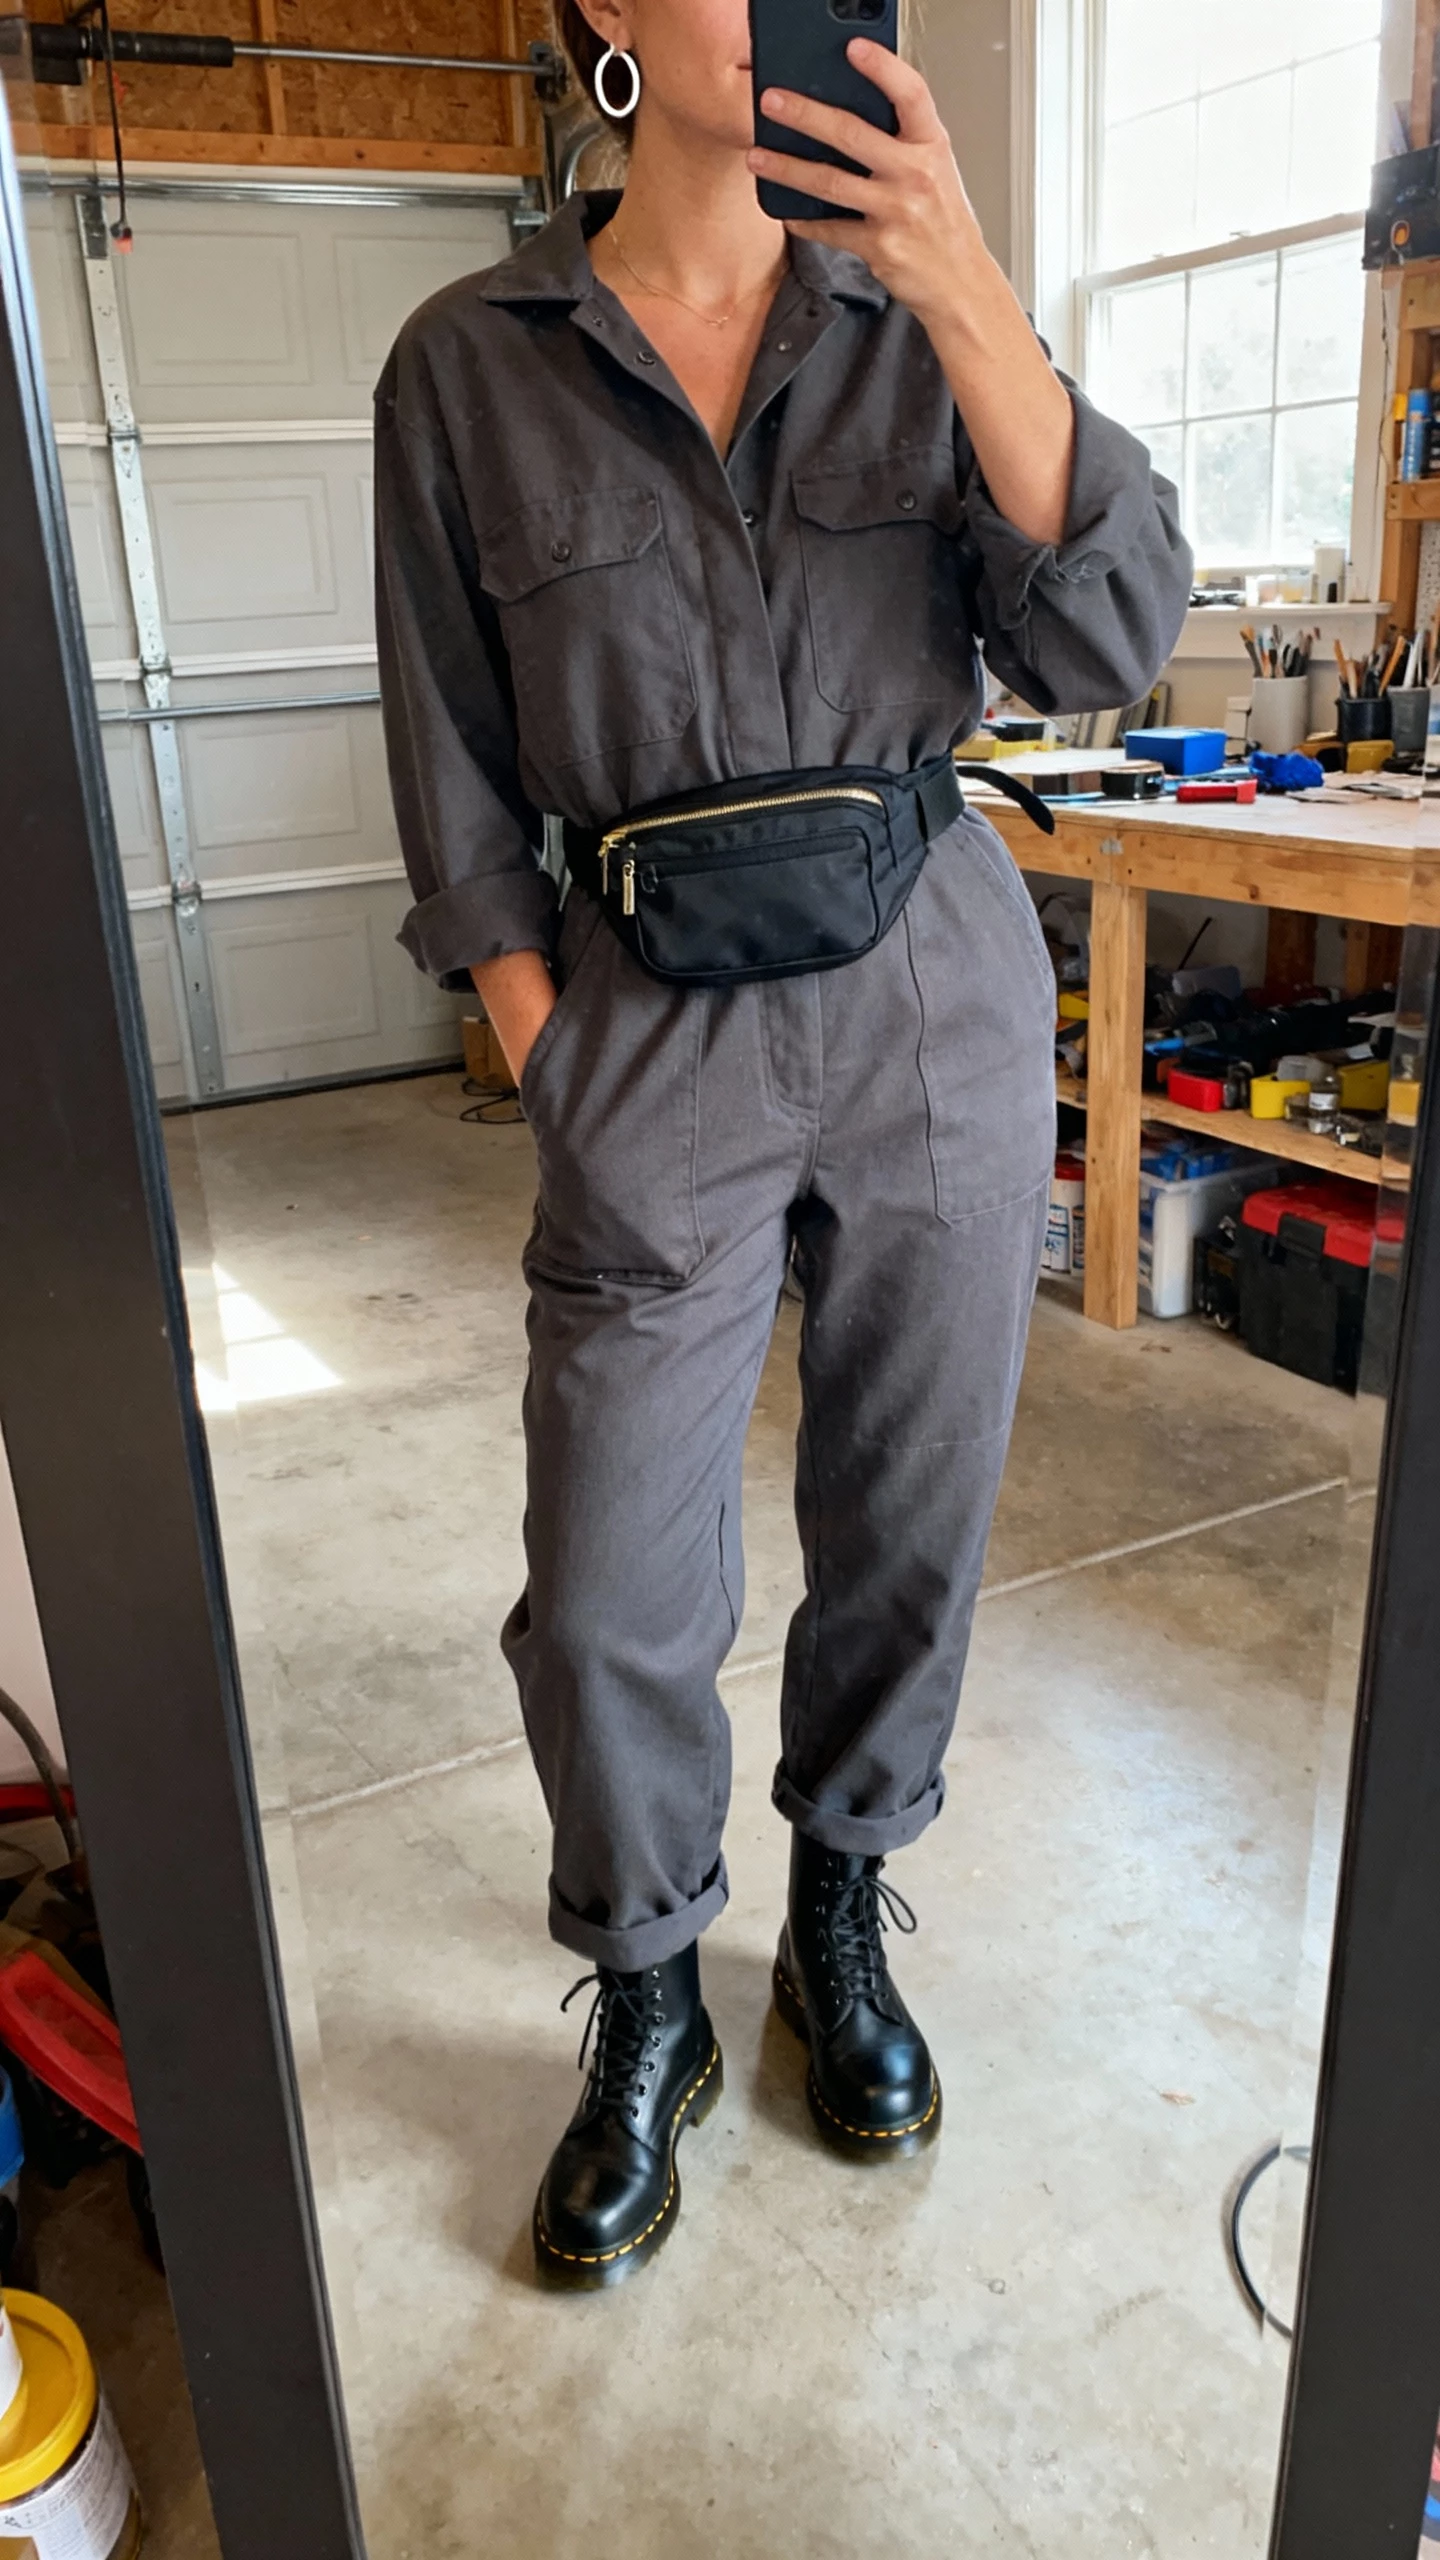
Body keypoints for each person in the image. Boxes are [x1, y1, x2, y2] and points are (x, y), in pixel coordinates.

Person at [373, 0, 1191, 2291]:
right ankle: (646, 1982)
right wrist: (548, 1040)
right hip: (646, 1005)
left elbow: (1112, 632)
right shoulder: (469, 362)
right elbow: (449, 760)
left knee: (909, 1508)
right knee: (611, 1581)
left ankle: (843, 1897)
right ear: (607, 13)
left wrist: (963, 282)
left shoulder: (926, 309)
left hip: (930, 979)